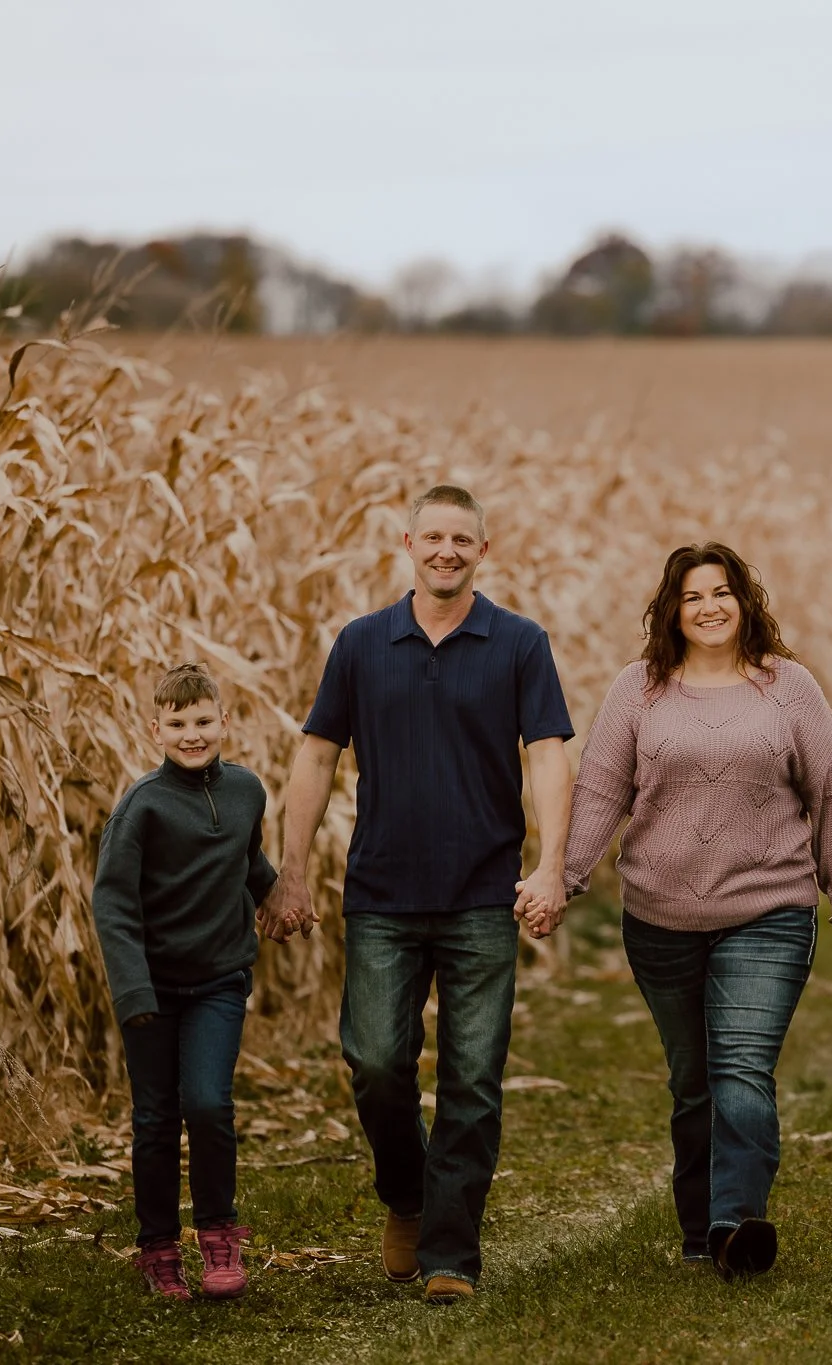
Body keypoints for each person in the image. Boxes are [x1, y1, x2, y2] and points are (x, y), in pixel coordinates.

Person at [266, 484, 575, 1303]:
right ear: (407, 543)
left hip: (482, 894)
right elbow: (315, 755)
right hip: (382, 894)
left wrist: (550, 866)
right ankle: (406, 1194)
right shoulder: (363, 643)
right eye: (431, 536)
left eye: (460, 539)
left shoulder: (518, 642)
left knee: (473, 1078)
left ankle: (449, 1253)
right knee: (375, 1063)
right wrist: (291, 869)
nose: (446, 550)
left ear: (484, 548)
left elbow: (547, 753)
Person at [559, 542, 832, 1280]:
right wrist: (562, 878)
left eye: (723, 591)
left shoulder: (788, 687)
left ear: (745, 601)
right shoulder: (637, 689)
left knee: (742, 1070)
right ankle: (700, 1225)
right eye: (693, 595)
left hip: (768, 909)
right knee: (692, 1078)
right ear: (671, 608)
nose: (710, 606)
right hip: (660, 918)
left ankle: (735, 1221)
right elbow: (602, 791)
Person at [92, 662, 278, 1301]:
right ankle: (158, 1249)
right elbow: (113, 902)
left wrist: (277, 895)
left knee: (207, 1103)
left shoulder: (247, 791)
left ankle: (219, 1236)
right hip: (154, 989)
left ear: (224, 722)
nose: (192, 735)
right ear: (156, 730)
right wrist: (133, 992)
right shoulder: (143, 807)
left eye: (203, 721)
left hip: (220, 979)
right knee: (156, 1119)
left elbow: (245, 858)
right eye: (178, 724)